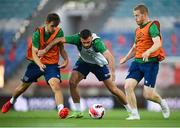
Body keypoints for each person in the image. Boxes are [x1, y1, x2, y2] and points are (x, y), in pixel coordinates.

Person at [38, 29, 132, 119]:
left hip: (98, 64)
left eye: (88, 42)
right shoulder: (76, 38)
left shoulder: (97, 43)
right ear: (80, 39)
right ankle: (78, 111)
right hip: (84, 62)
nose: (86, 45)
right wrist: (45, 50)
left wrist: (113, 73)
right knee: (72, 82)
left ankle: (131, 110)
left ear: (91, 38)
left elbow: (110, 57)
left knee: (113, 89)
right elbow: (58, 39)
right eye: (84, 42)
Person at [1, 13, 69, 119]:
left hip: (51, 64)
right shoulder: (38, 33)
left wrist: (66, 59)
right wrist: (40, 64)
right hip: (36, 63)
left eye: (56, 26)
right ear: (46, 23)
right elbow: (34, 53)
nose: (54, 28)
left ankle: (61, 110)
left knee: (55, 84)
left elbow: (62, 49)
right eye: (52, 26)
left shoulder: (59, 32)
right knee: (22, 88)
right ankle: (11, 101)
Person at [120, 4, 170, 120]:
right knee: (128, 86)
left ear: (144, 14)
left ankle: (162, 103)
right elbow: (135, 48)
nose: (135, 18)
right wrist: (126, 58)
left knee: (148, 95)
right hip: (137, 63)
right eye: (134, 16)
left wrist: (148, 51)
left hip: (150, 63)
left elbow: (157, 43)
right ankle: (134, 114)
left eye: (137, 15)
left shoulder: (152, 26)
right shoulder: (137, 30)